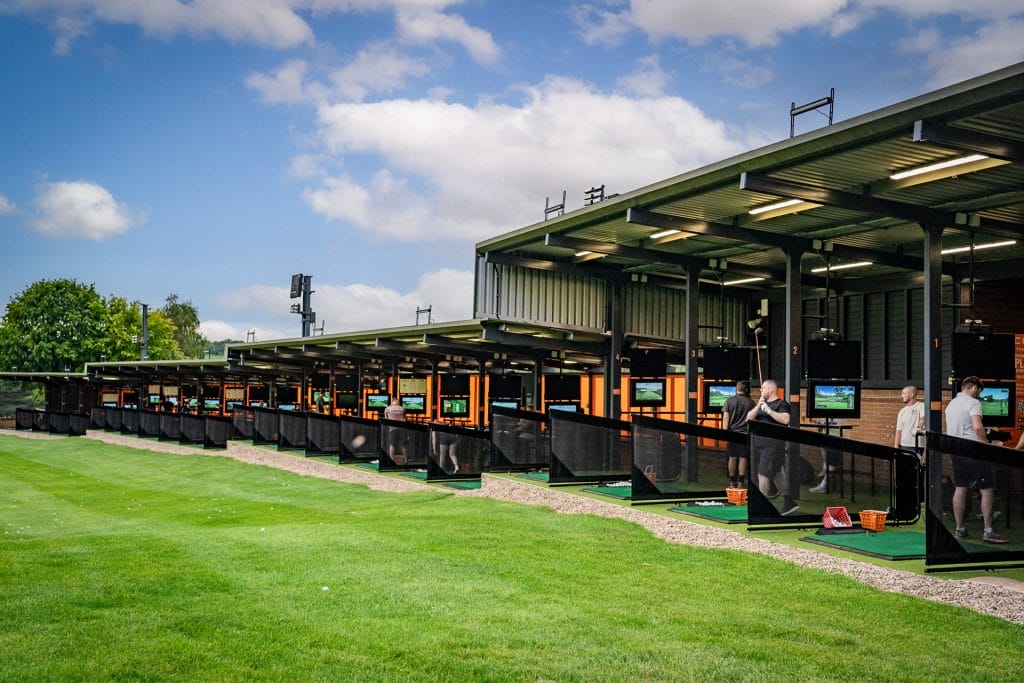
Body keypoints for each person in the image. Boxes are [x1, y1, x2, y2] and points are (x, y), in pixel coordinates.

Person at [945, 376, 1007, 544]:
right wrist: (986, 442)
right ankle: (988, 531)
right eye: (978, 391)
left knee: (960, 487)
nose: (979, 395)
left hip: (955, 450)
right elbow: (978, 426)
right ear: (972, 387)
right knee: (986, 489)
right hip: (974, 450)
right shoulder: (973, 403)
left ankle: (960, 529)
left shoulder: (951, 404)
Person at [746, 379, 798, 515]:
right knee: (776, 474)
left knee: (762, 474)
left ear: (772, 389)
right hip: (759, 444)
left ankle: (761, 507)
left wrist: (769, 411)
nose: (761, 390)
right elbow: (749, 418)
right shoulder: (761, 404)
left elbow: (786, 420)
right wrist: (759, 405)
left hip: (773, 445)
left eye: (763, 388)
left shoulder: (781, 404)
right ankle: (789, 502)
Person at [721, 380, 754, 488]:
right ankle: (741, 481)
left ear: (736, 389)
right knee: (743, 457)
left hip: (732, 434)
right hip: (745, 434)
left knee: (732, 457)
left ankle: (732, 481)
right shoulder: (750, 402)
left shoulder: (729, 401)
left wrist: (724, 432)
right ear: (747, 390)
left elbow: (726, 417)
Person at [894, 385, 925, 457]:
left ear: (911, 395)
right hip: (903, 445)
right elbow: (898, 430)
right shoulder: (902, 411)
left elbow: (922, 419)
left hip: (917, 445)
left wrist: (918, 427)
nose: (902, 396)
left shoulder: (922, 406)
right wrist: (896, 448)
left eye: (904, 393)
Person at [383, 397, 406, 462]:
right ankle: (406, 460)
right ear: (397, 402)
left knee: (392, 444)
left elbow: (386, 419)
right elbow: (404, 418)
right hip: (402, 428)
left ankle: (392, 460)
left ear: (392, 402)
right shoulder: (402, 408)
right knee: (403, 445)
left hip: (392, 429)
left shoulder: (387, 409)